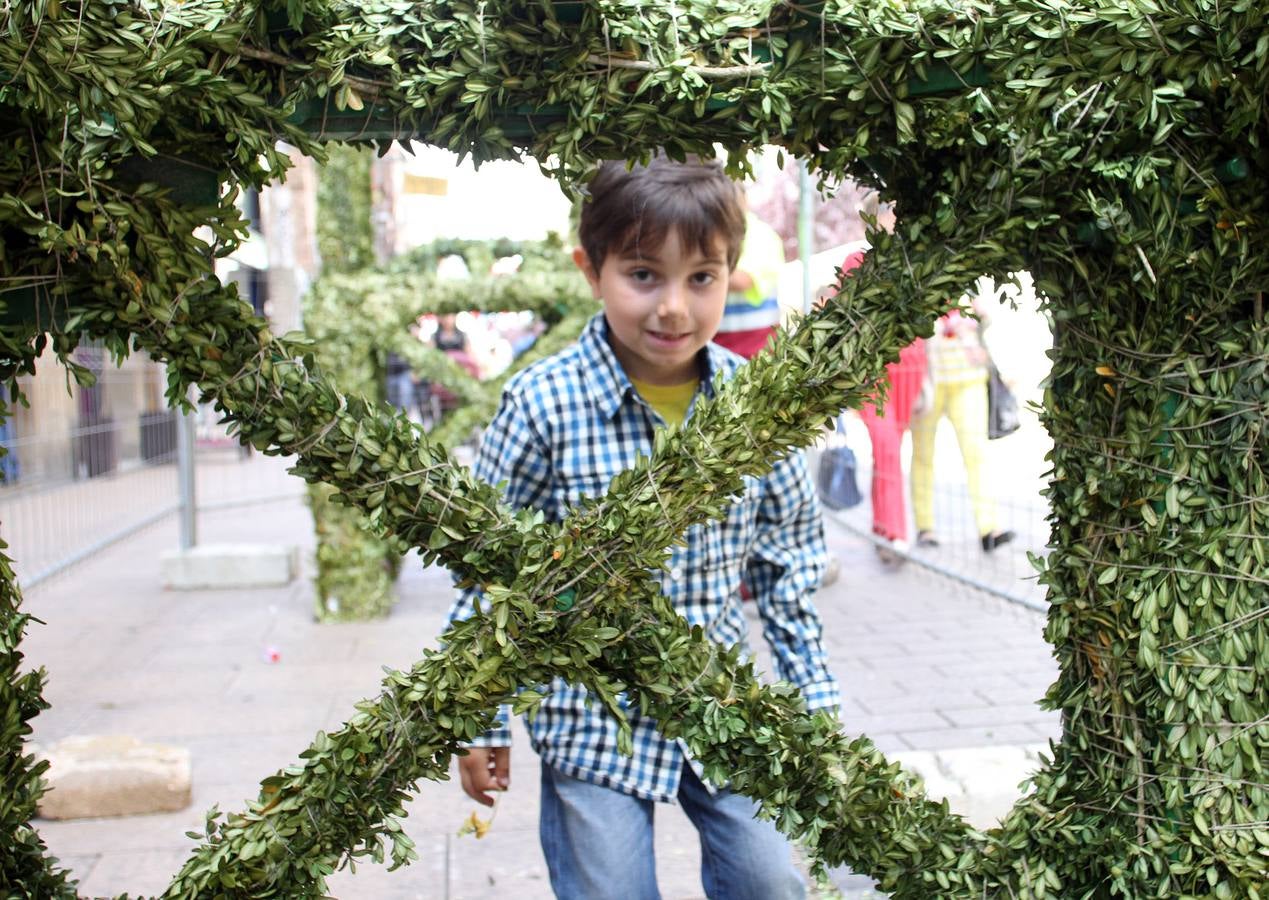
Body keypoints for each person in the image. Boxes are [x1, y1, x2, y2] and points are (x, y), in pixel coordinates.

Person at [444, 155, 838, 900]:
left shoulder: (757, 404)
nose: (674, 309)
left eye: (701, 278)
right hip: (590, 720)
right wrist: (480, 718)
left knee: (772, 881)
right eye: (643, 275)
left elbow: (788, 566)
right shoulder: (540, 404)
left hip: (721, 708)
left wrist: (811, 704)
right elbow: (488, 573)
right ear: (590, 269)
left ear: (730, 274)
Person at [838, 249, 928, 565]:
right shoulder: (856, 260)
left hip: (910, 367)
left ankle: (881, 525)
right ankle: (895, 534)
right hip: (872, 369)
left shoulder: (917, 254)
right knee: (887, 447)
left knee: (889, 452)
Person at [910, 305, 1015, 553]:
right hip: (929, 382)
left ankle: (988, 528)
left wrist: (977, 318)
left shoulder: (966, 288)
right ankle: (925, 527)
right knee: (923, 455)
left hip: (968, 380)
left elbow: (987, 319)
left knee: (976, 454)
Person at [711, 201, 786, 359]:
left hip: (757, 353)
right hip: (718, 350)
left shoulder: (760, 235)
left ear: (742, 199)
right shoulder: (710, 231)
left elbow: (742, 281)